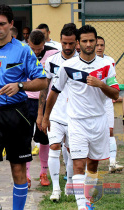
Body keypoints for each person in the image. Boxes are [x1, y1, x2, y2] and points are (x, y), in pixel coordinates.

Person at [0, 4, 47, 210]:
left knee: (18, 170)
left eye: (1, 24)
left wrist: (20, 85)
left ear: (11, 25)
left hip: (17, 115)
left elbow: (42, 81)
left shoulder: (24, 50)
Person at [42, 25, 119, 209]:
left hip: (98, 120)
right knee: (78, 165)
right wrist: (46, 117)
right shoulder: (67, 66)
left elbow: (115, 95)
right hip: (76, 122)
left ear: (96, 41)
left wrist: (101, 84)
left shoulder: (106, 65)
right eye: (84, 41)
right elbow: (53, 92)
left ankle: (88, 200)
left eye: (91, 40)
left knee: (92, 166)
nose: (89, 44)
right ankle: (81, 206)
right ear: (78, 43)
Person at [37, 23, 78, 201]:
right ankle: (55, 189)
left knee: (70, 151)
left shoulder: (81, 62)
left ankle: (69, 183)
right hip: (55, 113)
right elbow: (44, 89)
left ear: (77, 42)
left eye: (71, 44)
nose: (67, 47)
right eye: (64, 43)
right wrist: (41, 114)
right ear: (59, 41)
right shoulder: (52, 61)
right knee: (54, 147)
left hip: (76, 115)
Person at [25, 30, 58, 188]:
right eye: (33, 48)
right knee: (24, 137)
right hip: (25, 100)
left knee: (44, 137)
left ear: (45, 43)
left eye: (39, 49)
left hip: (45, 101)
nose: (36, 52)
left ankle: (44, 172)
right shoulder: (23, 52)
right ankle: (26, 174)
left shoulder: (53, 53)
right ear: (28, 43)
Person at [95, 36, 123, 173]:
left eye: (102, 45)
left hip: (106, 101)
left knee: (110, 131)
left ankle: (112, 162)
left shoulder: (110, 61)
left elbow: (113, 80)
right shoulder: (89, 62)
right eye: (98, 45)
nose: (100, 47)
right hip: (93, 102)